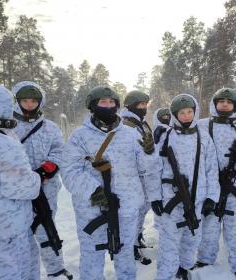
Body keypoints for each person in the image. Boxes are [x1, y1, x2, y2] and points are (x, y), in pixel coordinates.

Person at [61, 86, 161, 280]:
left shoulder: (130, 134)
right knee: (92, 255)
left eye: (112, 102)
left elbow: (146, 169)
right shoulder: (79, 136)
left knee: (125, 256)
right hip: (92, 208)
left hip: (127, 206)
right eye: (103, 102)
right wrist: (96, 193)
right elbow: (70, 171)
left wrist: (149, 153)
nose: (108, 106)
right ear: (93, 106)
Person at [196, 88, 236, 280]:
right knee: (209, 225)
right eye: (221, 101)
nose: (225, 104)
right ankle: (205, 259)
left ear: (235, 105)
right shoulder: (201, 126)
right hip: (210, 186)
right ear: (214, 104)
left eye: (229, 102)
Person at [154, 94, 220, 280]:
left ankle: (183, 268)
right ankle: (165, 275)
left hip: (197, 198)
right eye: (181, 113)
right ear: (175, 115)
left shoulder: (203, 136)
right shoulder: (167, 137)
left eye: (189, 111)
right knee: (169, 243)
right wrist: (155, 197)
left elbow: (211, 169)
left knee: (192, 238)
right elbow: (154, 170)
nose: (186, 116)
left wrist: (211, 198)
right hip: (171, 200)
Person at [11, 81, 73, 279]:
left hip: (47, 188)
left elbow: (59, 151)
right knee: (22, 234)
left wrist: (44, 172)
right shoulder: (7, 126)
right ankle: (27, 274)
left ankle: (56, 269)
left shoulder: (50, 127)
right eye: (25, 100)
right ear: (17, 101)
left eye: (33, 101)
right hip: (16, 190)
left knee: (46, 227)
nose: (29, 104)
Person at [0, 83, 41, 280]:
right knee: (18, 273)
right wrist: (36, 177)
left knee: (2, 271)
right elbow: (25, 188)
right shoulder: (2, 143)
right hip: (10, 226)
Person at [120, 90, 153, 265]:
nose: (144, 107)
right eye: (140, 104)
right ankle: (131, 247)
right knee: (135, 212)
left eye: (145, 104)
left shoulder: (141, 123)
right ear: (131, 106)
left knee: (143, 209)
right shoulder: (127, 125)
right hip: (134, 177)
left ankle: (137, 236)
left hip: (145, 175)